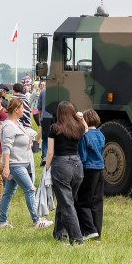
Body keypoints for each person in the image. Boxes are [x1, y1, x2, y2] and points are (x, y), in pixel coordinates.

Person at [0, 97, 52, 230]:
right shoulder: (9, 126)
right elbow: (6, 148)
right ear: (16, 110)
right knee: (30, 189)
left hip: (20, 163)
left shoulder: (17, 124)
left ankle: (1, 221)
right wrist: (6, 168)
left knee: (8, 193)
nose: (24, 110)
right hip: (15, 165)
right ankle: (36, 220)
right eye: (22, 108)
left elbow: (27, 135)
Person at [45, 101, 85, 245]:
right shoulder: (78, 127)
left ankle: (77, 239)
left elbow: (50, 152)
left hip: (61, 166)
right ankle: (59, 235)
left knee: (67, 205)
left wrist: (46, 169)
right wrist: (81, 119)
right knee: (66, 201)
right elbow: (86, 129)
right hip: (77, 166)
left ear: (59, 113)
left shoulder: (55, 128)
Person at [76, 109, 105, 240]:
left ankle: (89, 230)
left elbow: (82, 156)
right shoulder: (101, 134)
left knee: (82, 201)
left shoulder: (85, 135)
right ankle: (97, 233)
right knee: (97, 202)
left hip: (88, 169)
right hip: (100, 169)